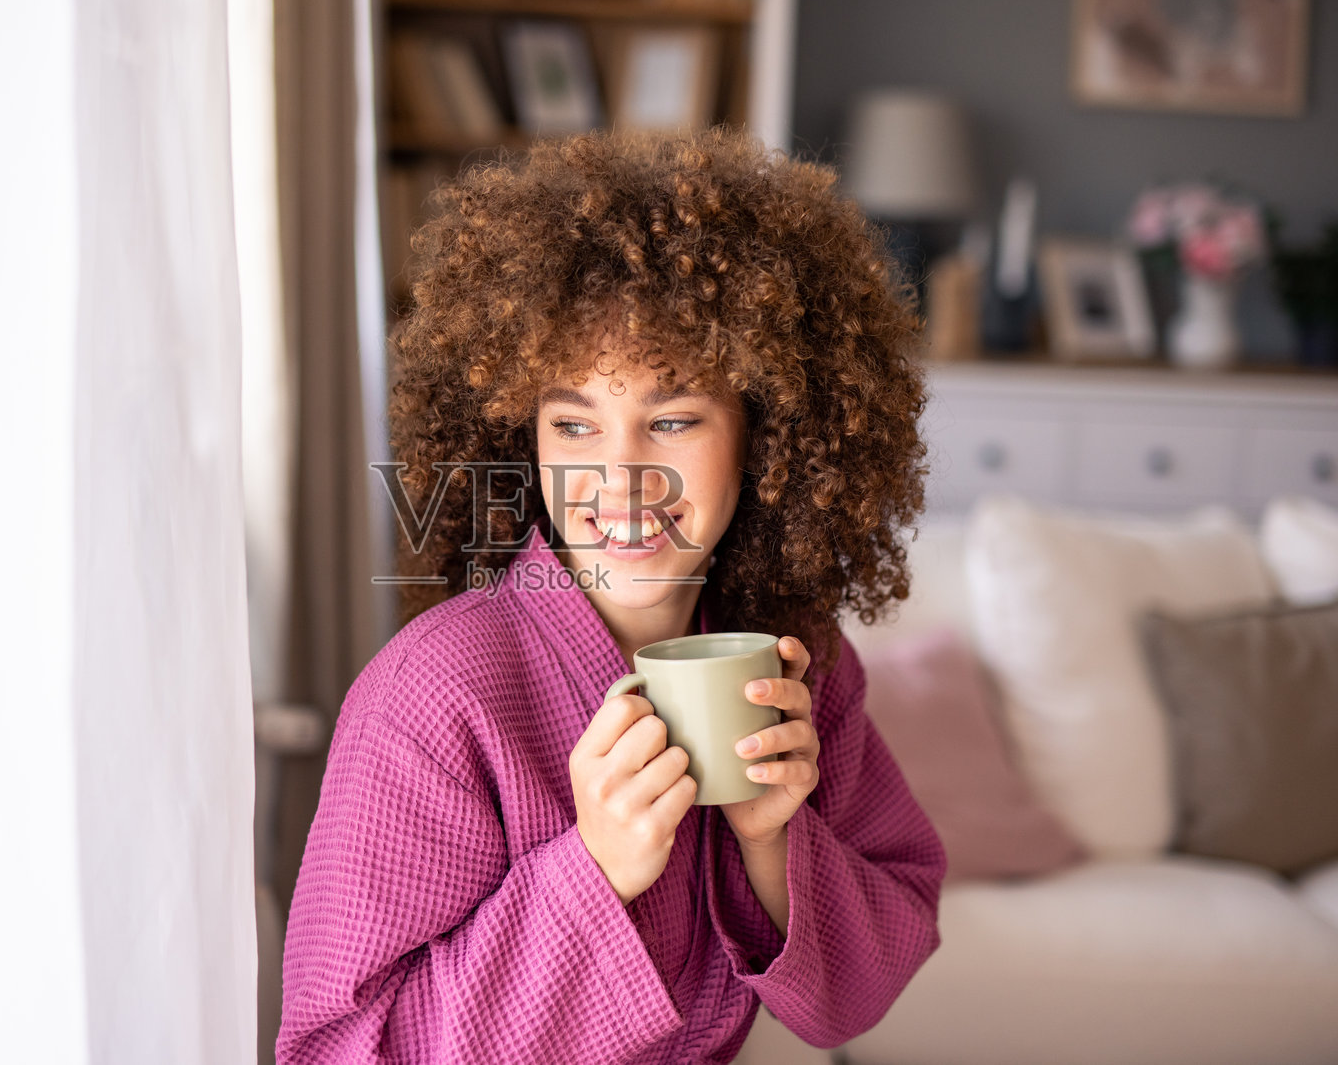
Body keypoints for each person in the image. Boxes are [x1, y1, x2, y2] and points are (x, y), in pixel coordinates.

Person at [278, 126, 944, 1064]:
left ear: (767, 433)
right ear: (524, 439)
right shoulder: (436, 692)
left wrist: (773, 840)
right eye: (575, 423)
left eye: (672, 419)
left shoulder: (799, 663)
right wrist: (591, 874)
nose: (622, 477)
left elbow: (864, 982)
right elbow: (333, 1051)